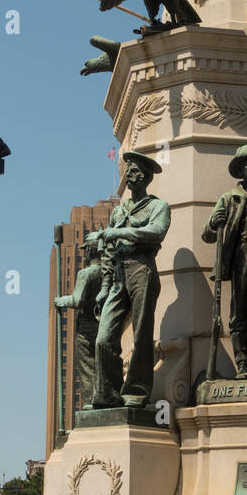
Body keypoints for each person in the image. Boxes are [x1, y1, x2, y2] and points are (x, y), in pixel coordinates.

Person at [91, 151, 171, 409]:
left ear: (147, 177)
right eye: (129, 171)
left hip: (142, 268)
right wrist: (105, 287)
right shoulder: (118, 212)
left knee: (142, 333)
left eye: (136, 171)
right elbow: (107, 252)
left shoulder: (158, 206)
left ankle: (137, 389)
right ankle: (109, 392)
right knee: (104, 338)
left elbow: (156, 232)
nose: (130, 175)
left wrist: (116, 232)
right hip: (118, 273)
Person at [203, 146, 247, 380]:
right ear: (241, 171)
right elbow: (208, 234)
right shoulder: (229, 197)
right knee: (239, 311)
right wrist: (214, 222)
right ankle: (242, 363)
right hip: (243, 254)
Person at [54, 231, 103, 410]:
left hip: (87, 324)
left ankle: (90, 401)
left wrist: (61, 301)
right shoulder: (109, 273)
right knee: (101, 364)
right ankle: (103, 397)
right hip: (104, 325)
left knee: (87, 364)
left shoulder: (86, 273)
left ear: (91, 251)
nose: (84, 254)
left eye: (86, 250)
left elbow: (78, 300)